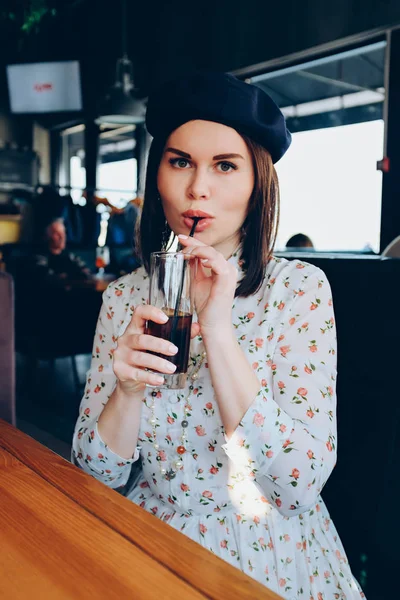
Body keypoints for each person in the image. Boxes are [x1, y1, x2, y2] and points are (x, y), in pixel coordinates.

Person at [72, 72, 365, 599]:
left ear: (258, 185)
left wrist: (218, 328)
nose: (196, 188)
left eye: (225, 165)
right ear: (156, 172)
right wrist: (128, 392)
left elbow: (297, 487)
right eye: (180, 161)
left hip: (267, 553)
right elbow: (96, 476)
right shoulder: (123, 297)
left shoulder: (297, 290)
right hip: (147, 539)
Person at [30, 218, 93, 290]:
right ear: (47, 236)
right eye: (57, 233)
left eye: (63, 233)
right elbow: (48, 278)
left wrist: (69, 277)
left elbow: (87, 272)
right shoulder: (39, 257)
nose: (62, 237)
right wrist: (72, 277)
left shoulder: (70, 256)